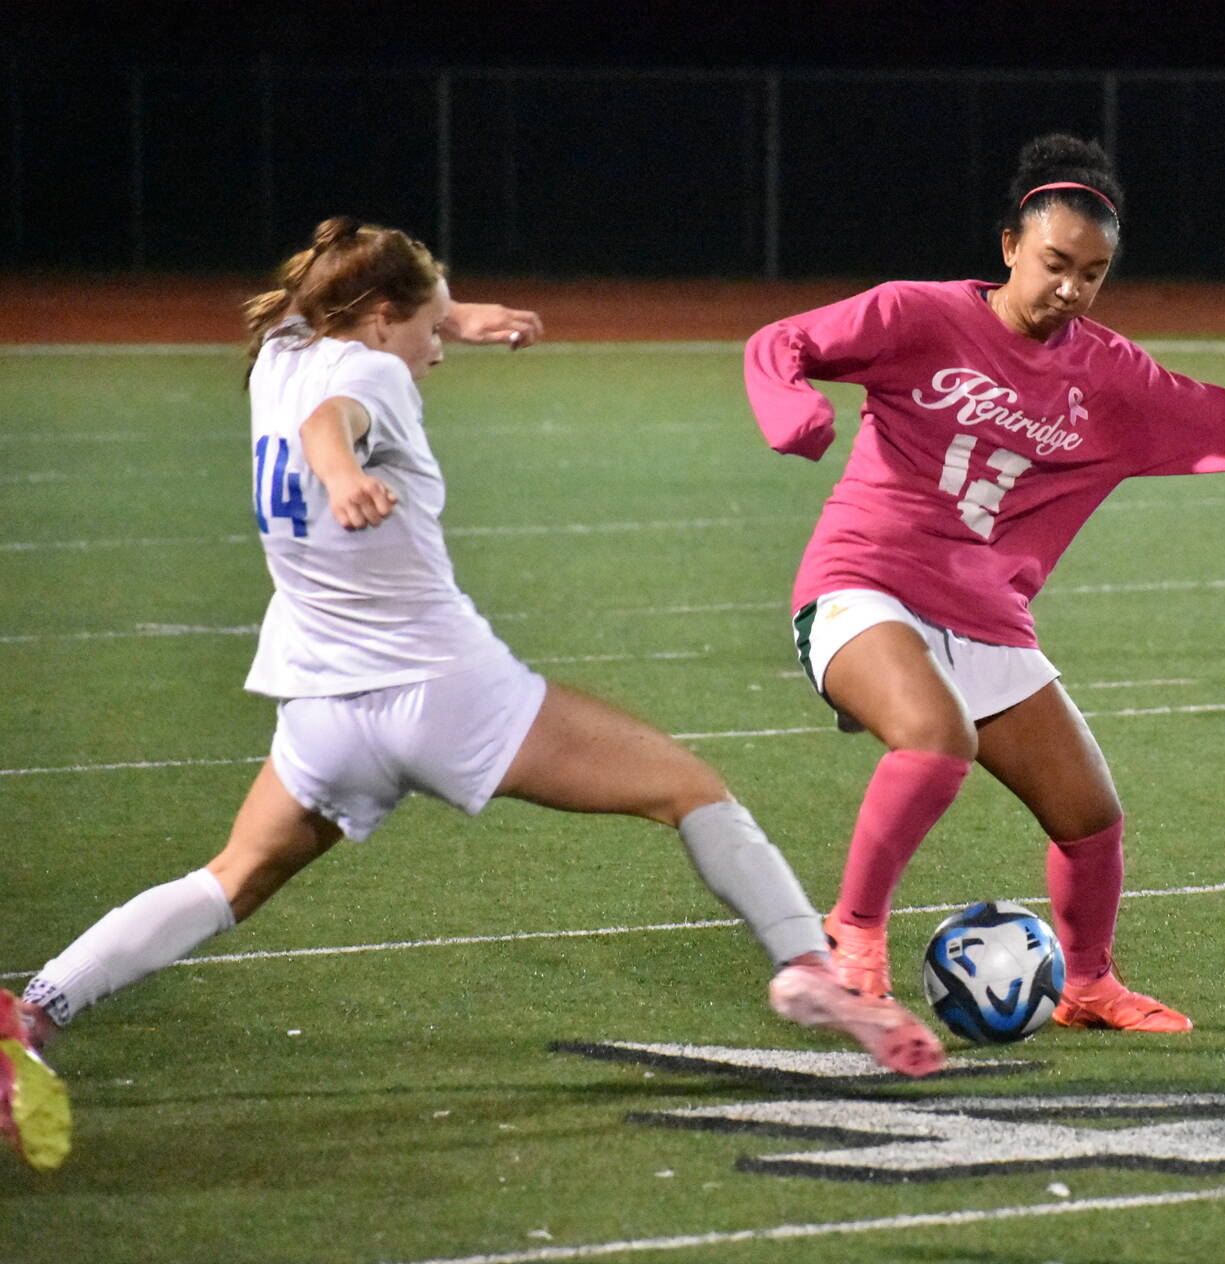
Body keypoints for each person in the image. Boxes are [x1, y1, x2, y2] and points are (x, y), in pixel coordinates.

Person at [1, 219, 943, 1172]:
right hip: (446, 692)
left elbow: (334, 311)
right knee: (691, 790)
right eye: (427, 328)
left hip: (324, 705)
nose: (436, 349)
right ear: (378, 320)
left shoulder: (284, 350)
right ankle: (805, 967)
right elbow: (336, 424)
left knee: (230, 878)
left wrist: (459, 310)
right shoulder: (370, 377)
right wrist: (342, 476)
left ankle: (38, 1006)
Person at [742, 135, 1225, 1032]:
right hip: (861, 582)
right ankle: (854, 933)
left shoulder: (1110, 377)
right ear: (1008, 248)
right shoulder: (915, 314)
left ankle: (1089, 985)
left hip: (986, 616)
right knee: (935, 738)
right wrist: (792, 410)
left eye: (1093, 274)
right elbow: (780, 342)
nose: (1069, 288)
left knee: (1090, 815)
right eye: (1055, 263)